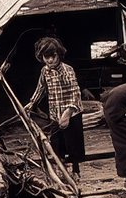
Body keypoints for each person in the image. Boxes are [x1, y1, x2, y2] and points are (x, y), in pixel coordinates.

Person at [26, 37, 85, 178]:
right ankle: (61, 170)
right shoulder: (45, 71)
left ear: (59, 54)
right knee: (57, 143)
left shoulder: (67, 70)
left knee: (73, 144)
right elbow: (40, 88)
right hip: (54, 114)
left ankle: (75, 171)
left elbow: (75, 92)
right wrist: (32, 102)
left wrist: (68, 113)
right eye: (46, 57)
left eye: (53, 57)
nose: (50, 61)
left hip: (71, 113)